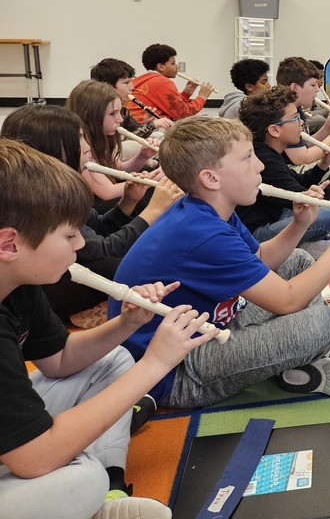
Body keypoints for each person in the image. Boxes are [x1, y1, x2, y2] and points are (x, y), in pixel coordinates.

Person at [0, 139, 217, 519]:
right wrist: (155, 363)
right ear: (10, 243)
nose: (81, 243)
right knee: (82, 480)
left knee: (113, 358)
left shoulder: (17, 282)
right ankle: (89, 494)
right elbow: (32, 459)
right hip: (24, 455)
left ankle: (105, 495)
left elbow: (60, 359)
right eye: (69, 236)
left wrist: (127, 322)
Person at [110, 117, 330, 409]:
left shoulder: (211, 207)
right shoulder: (203, 232)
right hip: (177, 370)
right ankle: (301, 355)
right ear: (211, 179)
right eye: (247, 158)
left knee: (299, 260)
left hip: (213, 322)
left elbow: (262, 259)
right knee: (321, 324)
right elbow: (287, 301)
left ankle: (298, 358)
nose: (261, 166)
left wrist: (300, 224)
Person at [0, 105, 183, 325]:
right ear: (51, 147)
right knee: (136, 263)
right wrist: (155, 210)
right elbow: (100, 249)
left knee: (136, 252)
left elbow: (98, 227)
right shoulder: (39, 196)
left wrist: (130, 200)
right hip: (49, 284)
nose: (88, 147)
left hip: (64, 268)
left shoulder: (62, 186)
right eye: (79, 138)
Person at [236, 86, 330, 250]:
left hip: (274, 215)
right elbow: (314, 202)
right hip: (256, 235)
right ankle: (300, 250)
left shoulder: (268, 151)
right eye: (295, 118)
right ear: (275, 130)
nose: (302, 122)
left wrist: (323, 164)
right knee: (324, 216)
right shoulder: (264, 160)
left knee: (312, 215)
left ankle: (301, 246)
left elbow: (299, 183)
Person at [66, 80, 160, 204]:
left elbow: (119, 170)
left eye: (119, 112)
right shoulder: (81, 148)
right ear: (88, 116)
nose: (120, 119)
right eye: (112, 114)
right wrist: (163, 175)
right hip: (93, 207)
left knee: (147, 170)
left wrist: (142, 156)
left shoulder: (100, 137)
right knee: (152, 193)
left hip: (106, 196)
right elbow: (109, 193)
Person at [276, 56, 330, 166]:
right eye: (313, 85)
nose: (317, 89)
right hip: (290, 169)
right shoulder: (284, 112)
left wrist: (328, 127)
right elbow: (302, 158)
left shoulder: (295, 107)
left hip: (295, 165)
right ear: (294, 87)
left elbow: (306, 143)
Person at [125, 44, 214, 122]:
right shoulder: (161, 82)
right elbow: (183, 114)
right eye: (173, 63)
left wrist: (185, 94)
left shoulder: (147, 78)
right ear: (161, 67)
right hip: (149, 128)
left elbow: (169, 106)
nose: (177, 67)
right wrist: (202, 97)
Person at [90, 58, 173, 136]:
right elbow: (122, 138)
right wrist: (152, 125)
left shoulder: (122, 108)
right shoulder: (98, 109)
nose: (132, 87)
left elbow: (135, 131)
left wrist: (146, 124)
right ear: (108, 86)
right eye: (126, 83)